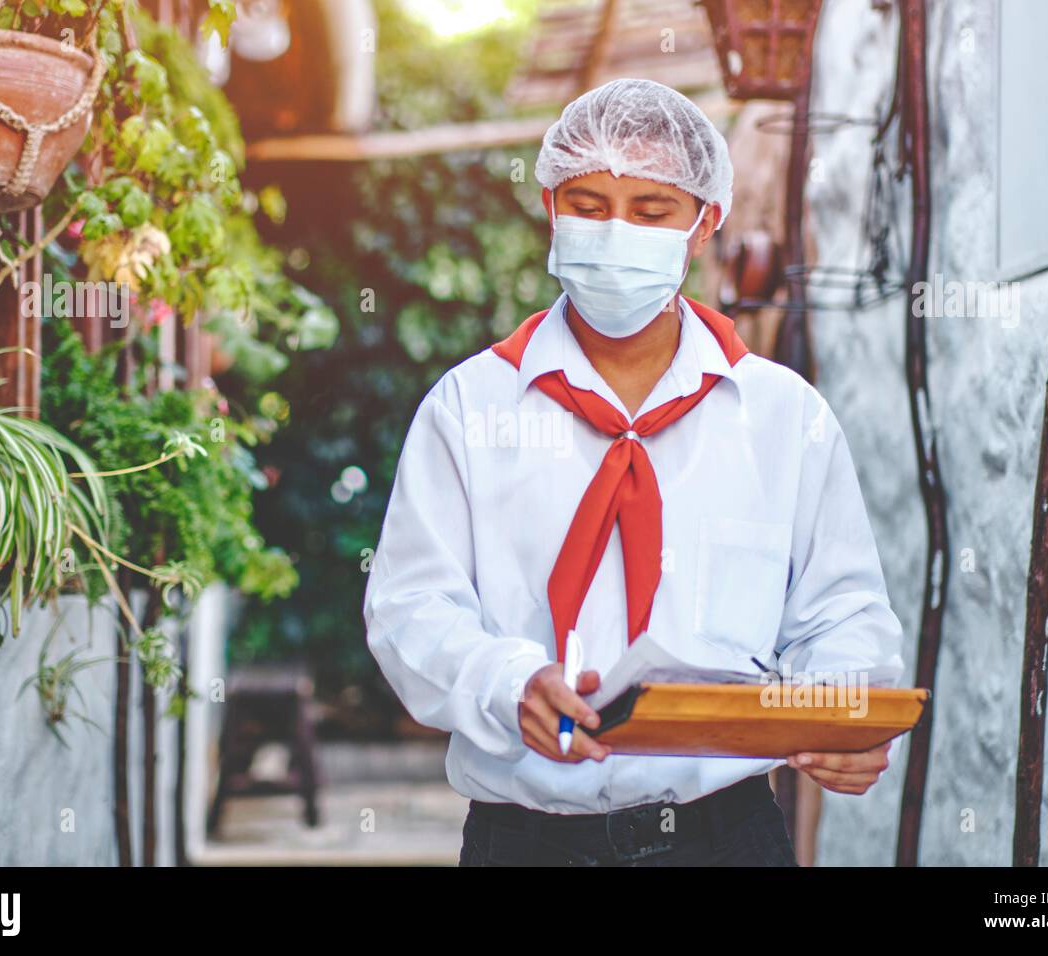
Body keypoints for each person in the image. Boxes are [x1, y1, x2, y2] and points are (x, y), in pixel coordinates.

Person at [364, 78, 905, 867]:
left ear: (705, 222)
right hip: (526, 841)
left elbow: (841, 611)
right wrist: (507, 683)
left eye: (652, 213)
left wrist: (839, 714)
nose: (616, 232)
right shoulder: (467, 409)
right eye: (587, 205)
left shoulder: (785, 418)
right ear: (550, 207)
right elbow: (411, 607)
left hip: (726, 838)